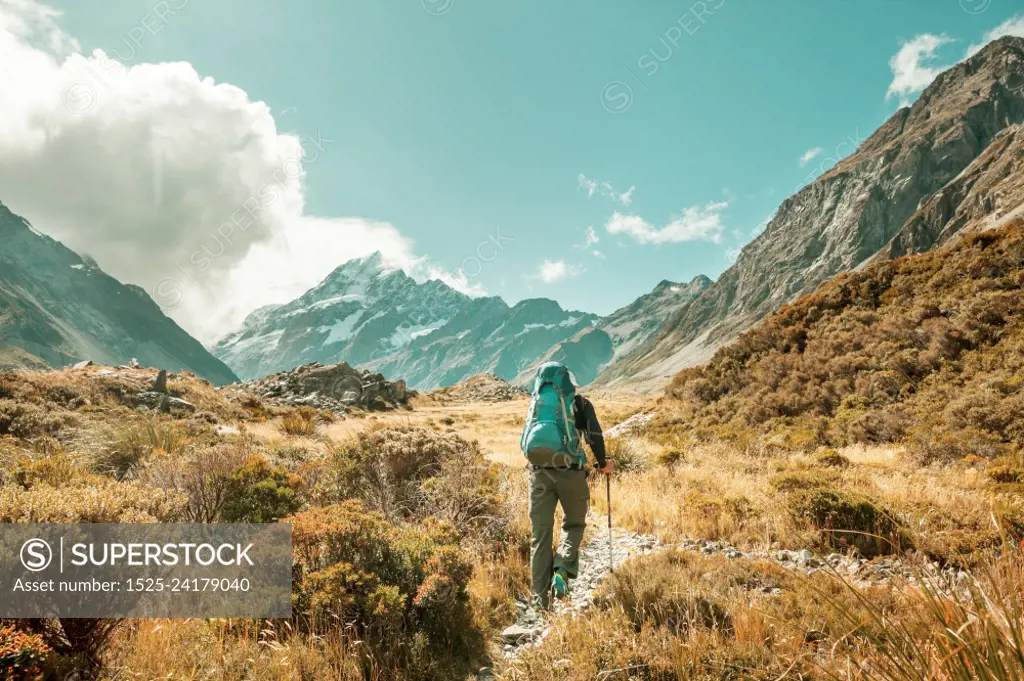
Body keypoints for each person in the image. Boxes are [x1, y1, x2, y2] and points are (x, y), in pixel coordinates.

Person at [520, 362, 614, 609]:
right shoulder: (580, 404)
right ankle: (561, 571)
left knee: (540, 538)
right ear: (566, 380)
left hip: (539, 475)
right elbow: (594, 436)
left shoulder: (537, 406)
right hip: (570, 473)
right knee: (573, 523)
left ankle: (540, 605)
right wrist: (603, 463)